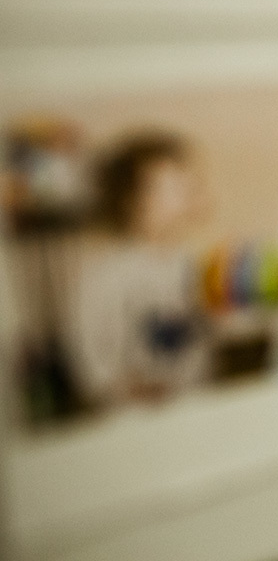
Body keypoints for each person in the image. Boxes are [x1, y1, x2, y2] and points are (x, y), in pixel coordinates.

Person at [65, 131, 211, 410]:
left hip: (196, 409)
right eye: (172, 181)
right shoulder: (106, 274)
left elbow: (221, 324)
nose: (188, 185)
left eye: (187, 178)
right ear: (134, 200)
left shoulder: (196, 264)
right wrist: (122, 387)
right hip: (132, 422)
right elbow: (90, 358)